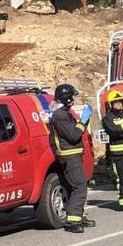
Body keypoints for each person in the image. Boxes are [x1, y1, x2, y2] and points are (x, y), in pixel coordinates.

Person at [51, 84, 96, 233]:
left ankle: (79, 217)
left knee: (74, 186)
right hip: (69, 156)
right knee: (80, 186)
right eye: (72, 96)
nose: (73, 99)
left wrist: (85, 120)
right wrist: (83, 121)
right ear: (66, 98)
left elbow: (75, 130)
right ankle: (72, 222)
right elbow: (73, 136)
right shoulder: (60, 115)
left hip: (73, 155)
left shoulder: (64, 112)